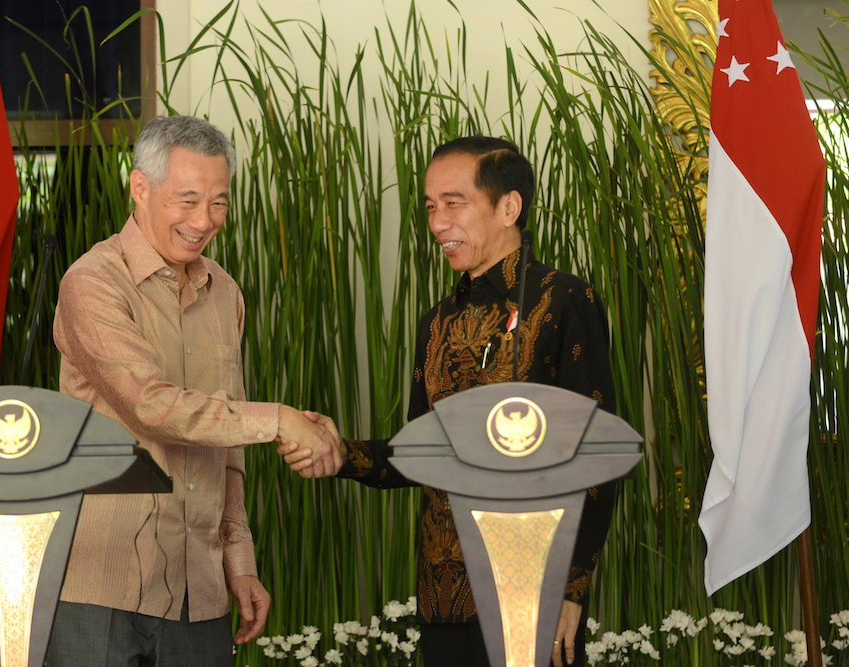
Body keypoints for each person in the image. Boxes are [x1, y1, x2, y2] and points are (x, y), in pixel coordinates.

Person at [282, 136, 617, 667]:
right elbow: (424, 453)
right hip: (444, 594)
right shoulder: (436, 323)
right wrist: (341, 452)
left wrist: (572, 587)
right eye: (431, 207)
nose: (438, 223)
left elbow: (597, 451)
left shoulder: (564, 301)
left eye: (453, 203)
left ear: (509, 206)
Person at [47, 115, 342, 666]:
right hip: (100, 583)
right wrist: (279, 418)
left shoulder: (224, 291)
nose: (203, 220)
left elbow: (224, 445)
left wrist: (240, 562)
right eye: (187, 201)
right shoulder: (91, 283)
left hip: (198, 590)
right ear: (140, 187)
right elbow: (151, 406)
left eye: (219, 203)